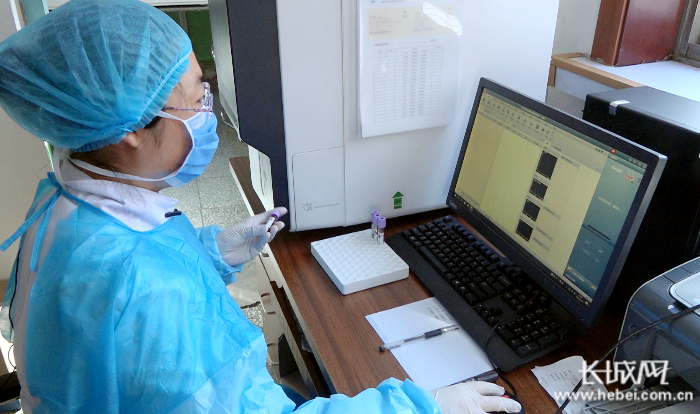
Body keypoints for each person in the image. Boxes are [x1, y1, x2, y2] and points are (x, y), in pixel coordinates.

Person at [0, 0, 523, 413]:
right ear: (131, 129)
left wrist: (211, 253)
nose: (207, 113)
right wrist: (425, 406)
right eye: (197, 99)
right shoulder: (151, 291)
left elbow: (120, 301)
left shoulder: (65, 199)